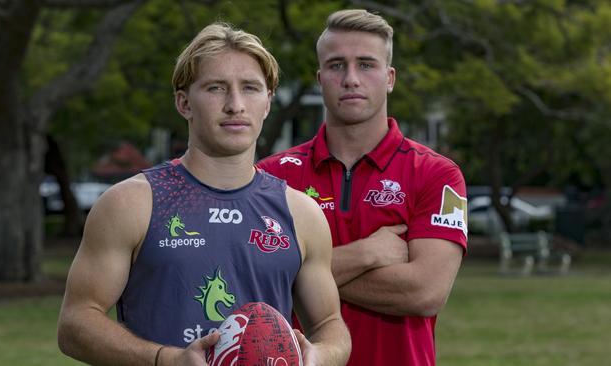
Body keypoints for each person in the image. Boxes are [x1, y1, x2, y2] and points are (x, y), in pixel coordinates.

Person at [57, 22, 351, 366]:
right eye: (216, 88)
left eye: (251, 88)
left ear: (268, 103)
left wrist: (317, 357)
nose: (235, 105)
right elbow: (75, 323)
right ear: (184, 103)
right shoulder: (132, 203)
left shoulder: (301, 213)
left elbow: (331, 327)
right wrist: (165, 359)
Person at [257, 9, 467, 366]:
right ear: (319, 78)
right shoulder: (270, 177)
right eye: (337, 65)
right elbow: (254, 282)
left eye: (366, 65)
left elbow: (424, 292)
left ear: (390, 78)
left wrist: (294, 274)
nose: (351, 78)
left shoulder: (438, 174)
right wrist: (368, 254)